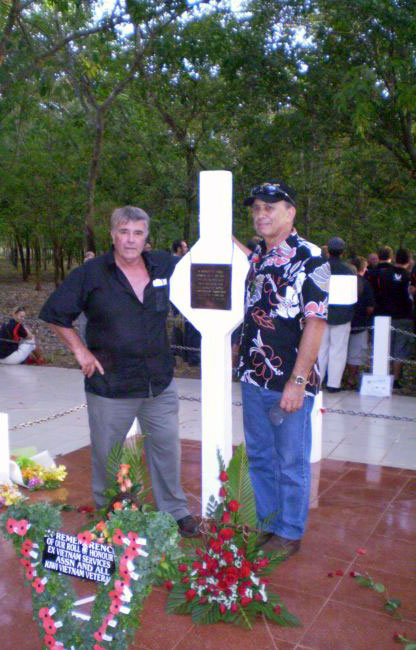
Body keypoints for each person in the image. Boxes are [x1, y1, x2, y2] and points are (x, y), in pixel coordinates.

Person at [39, 206, 199, 538]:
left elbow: (210, 268)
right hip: (110, 385)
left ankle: (175, 510)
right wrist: (80, 350)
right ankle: (111, 513)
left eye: (138, 233)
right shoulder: (91, 274)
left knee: (167, 450)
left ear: (146, 237)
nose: (130, 240)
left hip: (158, 382)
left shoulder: (165, 266)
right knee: (108, 456)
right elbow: (55, 312)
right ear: (112, 234)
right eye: (124, 232)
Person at [235, 181, 329, 558]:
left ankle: (289, 531)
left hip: (288, 381)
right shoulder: (258, 255)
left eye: (269, 208)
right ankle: (269, 524)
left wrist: (298, 380)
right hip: (252, 377)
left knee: (290, 459)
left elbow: (316, 323)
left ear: (290, 212)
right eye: (256, 208)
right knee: (259, 456)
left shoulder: (311, 259)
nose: (261, 215)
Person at [317, 237, 356, 392]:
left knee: (321, 349)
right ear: (342, 252)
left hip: (322, 313)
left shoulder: (321, 268)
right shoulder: (349, 270)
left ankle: (317, 382)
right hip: (342, 314)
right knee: (338, 350)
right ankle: (333, 384)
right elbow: (353, 297)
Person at [374, 248, 413, 389]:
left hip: (384, 315)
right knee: (400, 348)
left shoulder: (383, 274)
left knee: (384, 346)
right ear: (408, 261)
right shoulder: (409, 277)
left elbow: (377, 293)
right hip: (404, 316)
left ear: (395, 258)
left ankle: (382, 375)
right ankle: (396, 379)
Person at [345, 256, 375, 389]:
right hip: (360, 323)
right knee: (355, 353)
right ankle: (351, 379)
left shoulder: (342, 281)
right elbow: (370, 306)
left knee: (338, 351)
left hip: (342, 322)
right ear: (363, 268)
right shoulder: (366, 284)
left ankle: (336, 378)